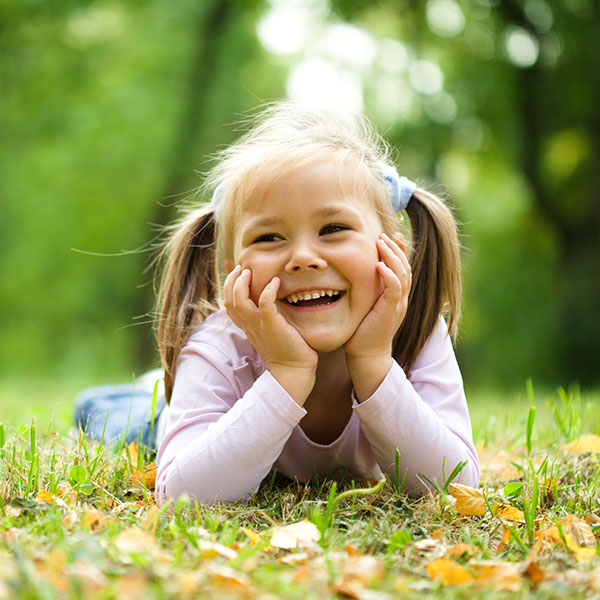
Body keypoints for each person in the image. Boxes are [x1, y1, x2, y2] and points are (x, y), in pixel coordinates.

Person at [76, 101, 480, 504]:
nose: (303, 257)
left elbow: (455, 485)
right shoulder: (218, 347)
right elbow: (183, 495)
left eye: (334, 228)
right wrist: (287, 373)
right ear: (234, 268)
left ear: (391, 248)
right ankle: (142, 395)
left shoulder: (415, 330)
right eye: (269, 237)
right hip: (171, 421)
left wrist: (373, 361)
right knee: (113, 418)